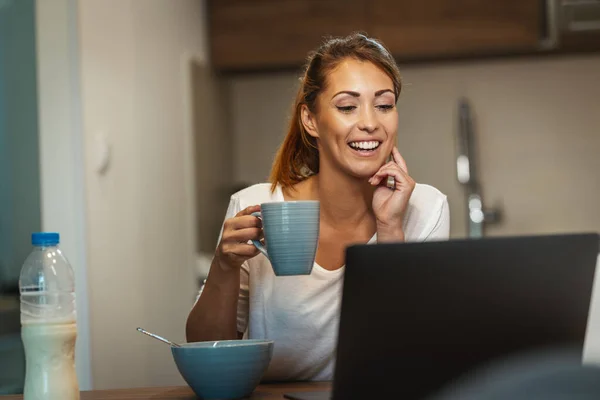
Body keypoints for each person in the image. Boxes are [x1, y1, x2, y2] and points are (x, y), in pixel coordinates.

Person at [186, 33, 450, 381]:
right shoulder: (254, 205)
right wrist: (223, 265)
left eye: (384, 105)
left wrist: (390, 229)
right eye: (347, 106)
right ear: (311, 120)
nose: (371, 122)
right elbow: (208, 354)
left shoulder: (424, 207)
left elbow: (413, 355)